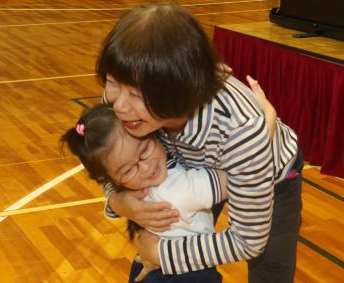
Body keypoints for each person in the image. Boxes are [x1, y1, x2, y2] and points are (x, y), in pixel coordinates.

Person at [96, 4, 303, 283]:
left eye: (135, 94)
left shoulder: (242, 132)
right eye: (112, 82)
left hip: (265, 168)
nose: (119, 106)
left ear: (179, 90)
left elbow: (248, 240)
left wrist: (165, 253)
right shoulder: (129, 92)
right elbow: (101, 158)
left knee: (271, 269)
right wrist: (118, 200)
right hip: (193, 164)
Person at [60, 103, 229, 282]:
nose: (146, 168)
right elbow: (238, 178)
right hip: (189, 272)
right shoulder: (179, 188)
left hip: (146, 266)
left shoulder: (132, 191)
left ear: (152, 132)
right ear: (113, 180)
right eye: (128, 170)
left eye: (144, 151)